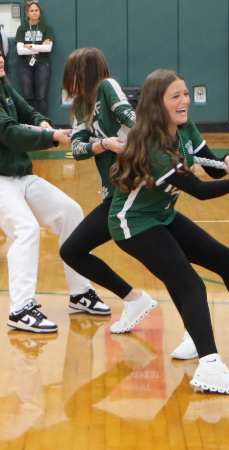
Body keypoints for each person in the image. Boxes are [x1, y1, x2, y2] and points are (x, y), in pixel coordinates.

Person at [108, 68, 229, 395]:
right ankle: (210, 366)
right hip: (134, 224)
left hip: (162, 215)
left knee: (226, 260)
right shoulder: (153, 147)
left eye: (185, 93)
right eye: (176, 96)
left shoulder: (183, 127)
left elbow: (210, 166)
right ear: (158, 104)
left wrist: (227, 159)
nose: (185, 100)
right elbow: (199, 191)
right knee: (190, 285)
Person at [0, 39, 88, 333]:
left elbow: (27, 113)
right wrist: (52, 137)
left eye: (0, 54)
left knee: (71, 212)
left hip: (19, 174)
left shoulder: (2, 85)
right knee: (26, 230)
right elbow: (10, 134)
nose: (0, 59)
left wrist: (43, 124)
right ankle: (21, 309)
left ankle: (80, 293)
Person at [58, 47, 159, 333]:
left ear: (83, 72)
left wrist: (149, 142)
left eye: (72, 74)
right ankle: (134, 299)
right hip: (114, 194)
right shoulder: (80, 106)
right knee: (73, 251)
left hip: (135, 189)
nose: (68, 80)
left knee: (75, 250)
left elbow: (131, 118)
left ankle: (139, 300)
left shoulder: (107, 86)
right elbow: (77, 148)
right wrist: (103, 144)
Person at [15, 0, 55, 116]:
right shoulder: (22, 28)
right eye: (31, 11)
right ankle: (30, 124)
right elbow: (20, 50)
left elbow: (48, 49)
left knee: (41, 96)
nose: (34, 13)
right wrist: (40, 46)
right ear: (27, 13)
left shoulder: (46, 28)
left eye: (36, 10)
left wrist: (30, 46)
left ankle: (43, 123)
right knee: (27, 96)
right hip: (24, 65)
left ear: (40, 12)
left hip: (42, 64)